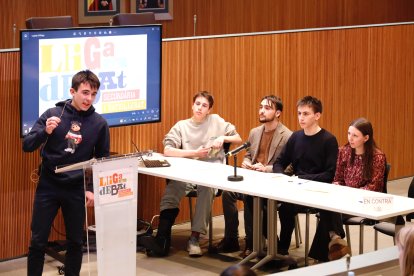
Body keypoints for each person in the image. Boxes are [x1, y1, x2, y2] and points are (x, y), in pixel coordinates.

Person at [23, 70, 110, 276]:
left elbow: (102, 160)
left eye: (93, 94)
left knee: (75, 242)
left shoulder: (99, 124)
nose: (89, 98)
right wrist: (45, 132)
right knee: (38, 241)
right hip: (48, 186)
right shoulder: (52, 114)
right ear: (73, 91)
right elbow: (27, 145)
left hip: (76, 189)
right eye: (85, 92)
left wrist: (91, 189)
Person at [138, 91, 242, 257]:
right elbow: (168, 150)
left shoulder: (216, 121)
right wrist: (194, 153)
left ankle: (194, 238)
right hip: (186, 174)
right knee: (172, 190)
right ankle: (162, 239)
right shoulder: (182, 126)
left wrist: (223, 138)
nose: (200, 108)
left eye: (204, 105)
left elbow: (238, 139)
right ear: (192, 105)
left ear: (209, 110)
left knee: (206, 188)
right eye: (198, 104)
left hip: (210, 175)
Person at [213, 95, 292, 257]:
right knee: (228, 193)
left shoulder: (287, 135)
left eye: (267, 108)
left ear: (278, 113)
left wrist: (267, 169)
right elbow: (249, 153)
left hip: (272, 182)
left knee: (250, 196)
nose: (262, 111)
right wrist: (246, 162)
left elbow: (290, 167)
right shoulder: (254, 132)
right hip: (252, 178)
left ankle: (251, 242)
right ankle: (231, 238)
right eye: (261, 107)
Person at [273, 96, 350, 262]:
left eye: (306, 114)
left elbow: (330, 174)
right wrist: (281, 176)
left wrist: (301, 177)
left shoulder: (328, 140)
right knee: (283, 206)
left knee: (327, 207)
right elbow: (279, 162)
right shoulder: (295, 137)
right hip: (296, 189)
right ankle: (281, 249)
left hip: (319, 190)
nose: (301, 117)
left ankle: (324, 249)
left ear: (317, 116)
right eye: (299, 113)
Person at [333, 117, 386, 192]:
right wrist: (337, 185)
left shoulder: (377, 157)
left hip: (366, 199)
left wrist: (351, 193)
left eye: (355, 136)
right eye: (349, 133)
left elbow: (373, 187)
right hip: (346, 195)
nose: (350, 138)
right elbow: (338, 179)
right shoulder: (343, 151)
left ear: (366, 138)